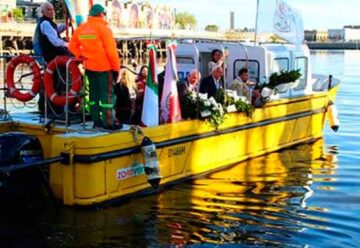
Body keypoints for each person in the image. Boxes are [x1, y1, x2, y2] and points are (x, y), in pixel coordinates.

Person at [69, 4, 121, 129]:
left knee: (93, 95)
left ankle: (96, 121)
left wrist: (81, 56)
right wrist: (116, 69)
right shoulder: (104, 29)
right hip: (104, 68)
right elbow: (111, 51)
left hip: (89, 67)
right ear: (101, 14)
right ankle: (109, 123)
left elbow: (72, 46)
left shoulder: (82, 29)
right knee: (107, 96)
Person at [33, 2, 71, 116]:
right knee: (57, 84)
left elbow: (54, 31)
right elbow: (54, 40)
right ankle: (55, 109)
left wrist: (66, 26)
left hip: (53, 58)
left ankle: (56, 108)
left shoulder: (47, 23)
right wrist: (68, 45)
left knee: (56, 83)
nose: (52, 11)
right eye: (49, 10)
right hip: (52, 58)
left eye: (52, 9)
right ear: (43, 11)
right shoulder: (45, 23)